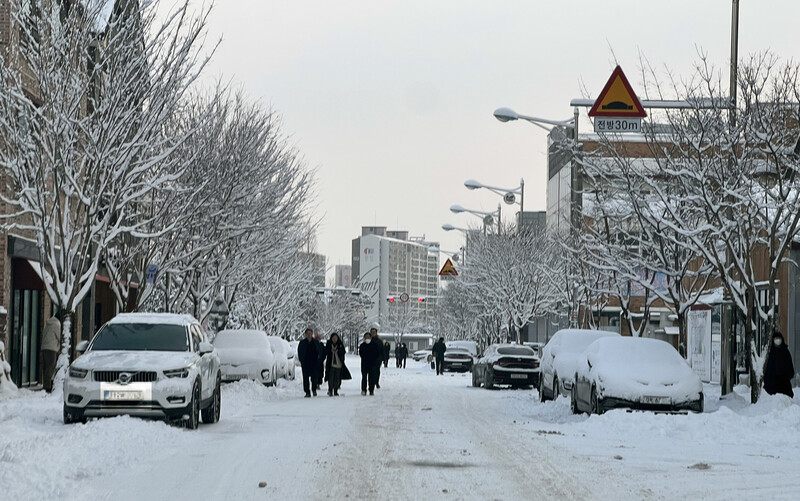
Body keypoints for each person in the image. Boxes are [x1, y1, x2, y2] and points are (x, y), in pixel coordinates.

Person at [763, 332, 795, 398]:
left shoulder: (785, 351)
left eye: (779, 338)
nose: (778, 340)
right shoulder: (770, 353)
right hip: (772, 384)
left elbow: (789, 365)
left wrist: (787, 375)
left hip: (784, 383)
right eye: (776, 338)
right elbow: (767, 367)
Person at [298, 328, 323, 397]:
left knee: (314, 378)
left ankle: (314, 389)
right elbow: (300, 353)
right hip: (305, 363)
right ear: (305, 335)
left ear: (312, 334)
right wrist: (302, 361)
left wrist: (319, 360)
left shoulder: (315, 342)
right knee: (305, 378)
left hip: (314, 363)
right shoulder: (302, 343)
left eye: (310, 333)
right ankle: (307, 392)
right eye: (307, 334)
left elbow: (320, 351)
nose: (309, 335)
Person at [41, 313, 62, 393]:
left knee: (46, 367)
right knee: (50, 367)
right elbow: (59, 336)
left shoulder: (49, 323)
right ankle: (48, 386)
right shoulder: (57, 324)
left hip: (44, 347)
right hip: (52, 348)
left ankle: (45, 384)